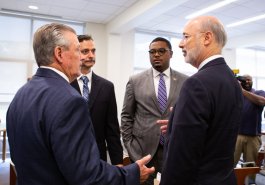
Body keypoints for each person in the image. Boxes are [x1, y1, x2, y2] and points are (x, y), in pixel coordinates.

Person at [6, 23, 154, 185]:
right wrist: (130, 173)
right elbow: (87, 175)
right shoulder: (70, 100)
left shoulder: (21, 94)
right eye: (78, 50)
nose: (82, 57)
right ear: (59, 53)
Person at [160, 16, 243, 185]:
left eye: (186, 36)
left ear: (207, 38)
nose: (180, 44)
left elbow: (181, 158)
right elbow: (216, 132)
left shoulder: (196, 84)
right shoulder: (231, 80)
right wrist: (176, 126)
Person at [121, 37, 188, 185]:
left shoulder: (185, 81)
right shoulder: (135, 80)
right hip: (143, 152)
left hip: (173, 149)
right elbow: (126, 116)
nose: (156, 55)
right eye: (152, 52)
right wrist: (131, 148)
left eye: (161, 51)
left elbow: (187, 115)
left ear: (171, 54)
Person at [71, 35, 123, 165]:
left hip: (98, 158)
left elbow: (112, 130)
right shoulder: (64, 84)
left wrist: (118, 163)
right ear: (75, 53)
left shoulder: (107, 87)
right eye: (85, 51)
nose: (91, 55)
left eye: (93, 51)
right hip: (70, 156)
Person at [234, 74, 265, 167]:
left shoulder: (259, 92)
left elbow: (262, 101)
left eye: (249, 80)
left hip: (253, 137)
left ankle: (251, 182)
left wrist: (242, 90)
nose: (247, 81)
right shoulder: (235, 94)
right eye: (245, 80)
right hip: (236, 136)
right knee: (230, 164)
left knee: (250, 166)